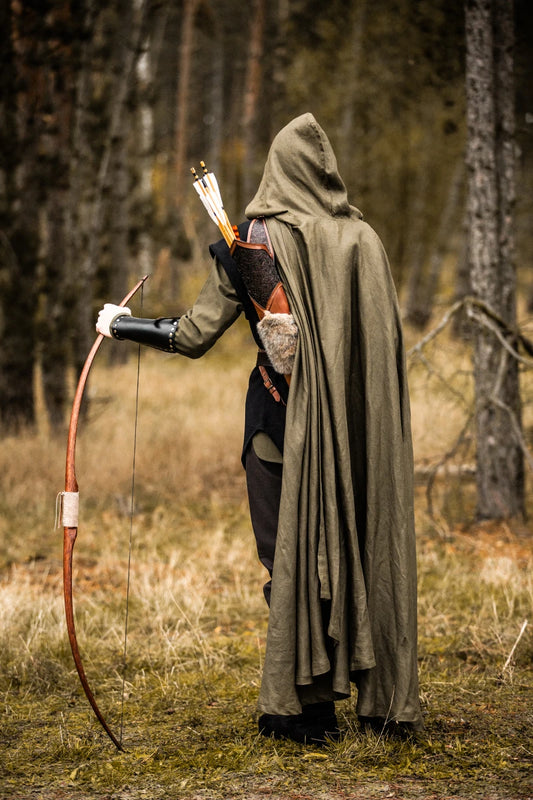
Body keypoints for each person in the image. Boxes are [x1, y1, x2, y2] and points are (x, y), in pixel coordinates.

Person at [96, 112, 423, 744]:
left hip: (278, 426)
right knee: (359, 548)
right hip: (362, 435)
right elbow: (380, 352)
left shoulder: (254, 240)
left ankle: (305, 711)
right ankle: (382, 707)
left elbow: (194, 334)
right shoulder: (363, 241)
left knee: (289, 556)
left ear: (277, 171)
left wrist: (121, 324)